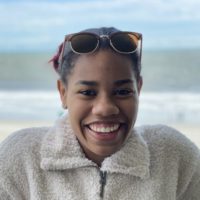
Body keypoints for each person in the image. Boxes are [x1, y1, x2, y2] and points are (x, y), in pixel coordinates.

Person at [0, 27, 199, 200]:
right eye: (87, 92)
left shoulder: (175, 156)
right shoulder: (20, 157)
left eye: (122, 92)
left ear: (138, 89)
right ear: (63, 93)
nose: (105, 108)